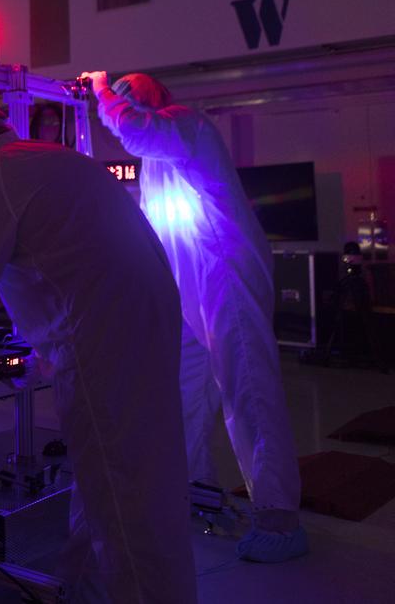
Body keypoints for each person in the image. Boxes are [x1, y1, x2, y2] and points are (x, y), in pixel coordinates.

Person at [0, 100, 196, 604]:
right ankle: (82, 588)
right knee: (126, 469)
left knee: (120, 485)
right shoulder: (52, 159)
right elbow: (62, 255)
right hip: (149, 317)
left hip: (104, 334)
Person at [86, 71, 307, 563]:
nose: (118, 105)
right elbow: (154, 235)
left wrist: (100, 88)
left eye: (126, 96)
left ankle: (279, 516)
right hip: (189, 291)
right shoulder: (152, 162)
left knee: (247, 386)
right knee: (183, 392)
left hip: (226, 275)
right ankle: (193, 489)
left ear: (151, 98)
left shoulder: (185, 125)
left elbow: (134, 129)